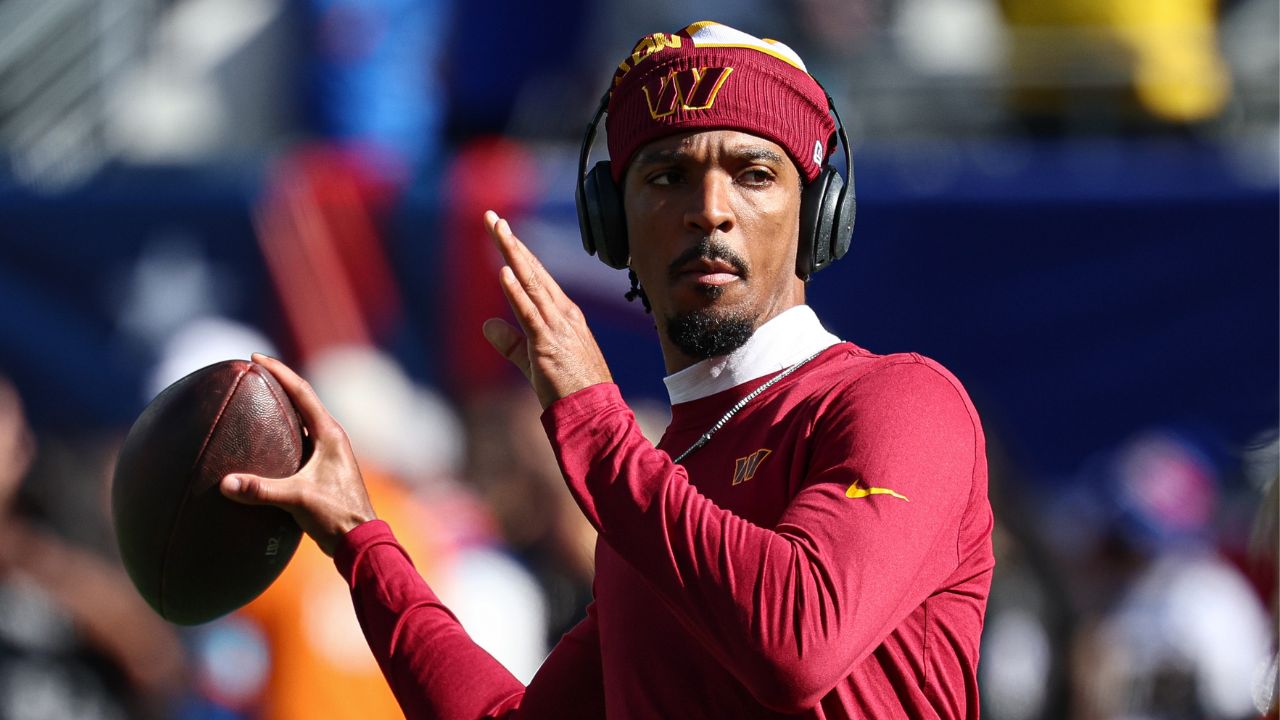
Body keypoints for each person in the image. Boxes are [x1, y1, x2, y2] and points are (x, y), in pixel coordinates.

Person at [220, 21, 995, 718]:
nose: (711, 209)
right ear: (611, 224)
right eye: (667, 177)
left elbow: (798, 646)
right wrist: (360, 539)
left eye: (755, 173)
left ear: (819, 212)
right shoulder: (644, 504)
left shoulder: (900, 400)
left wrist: (592, 417)